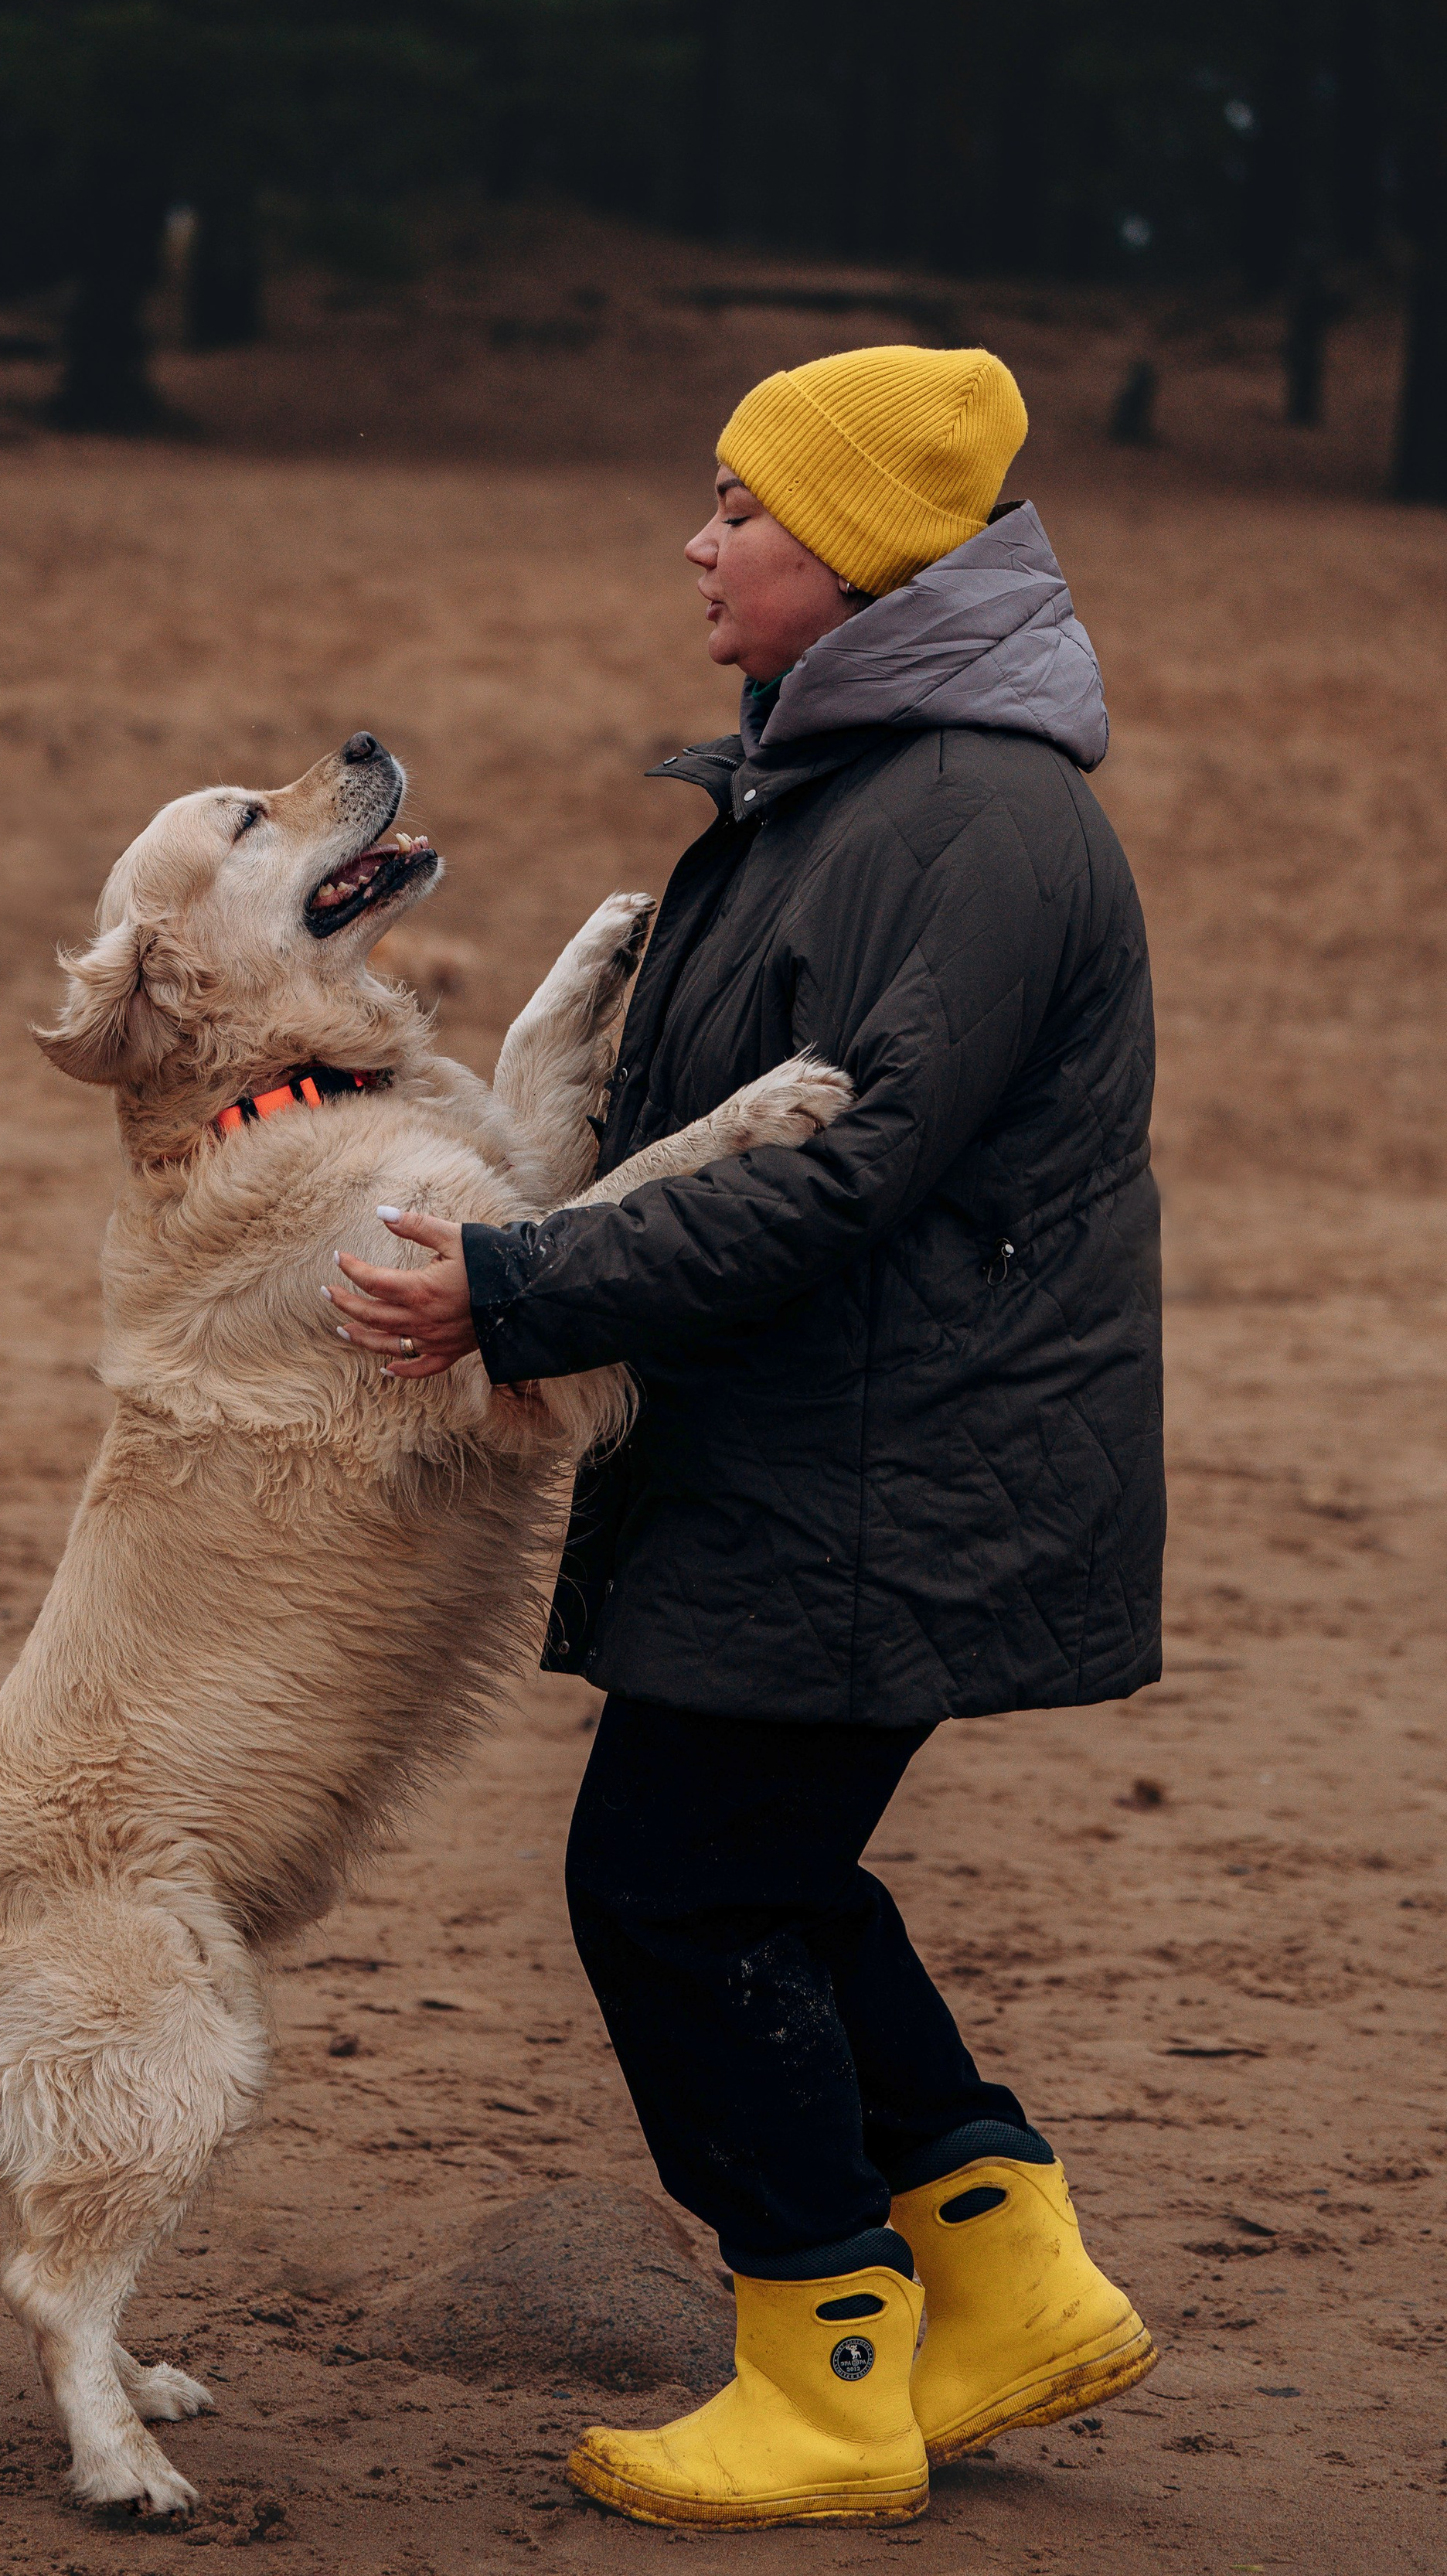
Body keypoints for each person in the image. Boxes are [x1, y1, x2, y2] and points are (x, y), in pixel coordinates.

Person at [327, 343, 1164, 2530]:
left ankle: (824, 2365)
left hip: (893, 1463)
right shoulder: (850, 792)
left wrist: (515, 1296)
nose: (697, 544)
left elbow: (847, 1171)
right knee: (759, 1869)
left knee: (673, 1890)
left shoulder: (976, 816)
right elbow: (713, 1122)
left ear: (868, 547)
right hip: (831, 1449)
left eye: (742, 507)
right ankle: (1006, 2278)